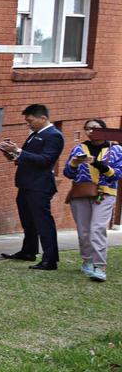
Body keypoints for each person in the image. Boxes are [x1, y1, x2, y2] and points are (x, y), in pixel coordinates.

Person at [0, 104, 65, 270]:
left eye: (30, 120)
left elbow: (45, 160)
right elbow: (28, 158)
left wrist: (19, 151)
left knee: (43, 222)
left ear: (43, 118)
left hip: (40, 185)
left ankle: (50, 259)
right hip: (26, 183)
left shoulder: (54, 136)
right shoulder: (35, 135)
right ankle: (28, 250)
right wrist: (12, 153)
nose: (28, 124)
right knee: (28, 220)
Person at [63, 118, 122, 282]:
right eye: (87, 128)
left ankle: (99, 266)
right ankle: (87, 261)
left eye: (95, 128)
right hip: (81, 192)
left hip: (104, 193)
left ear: (104, 130)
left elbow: (116, 175)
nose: (91, 131)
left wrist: (97, 163)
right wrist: (74, 164)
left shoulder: (115, 150)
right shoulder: (78, 149)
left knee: (97, 228)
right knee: (84, 230)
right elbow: (68, 173)